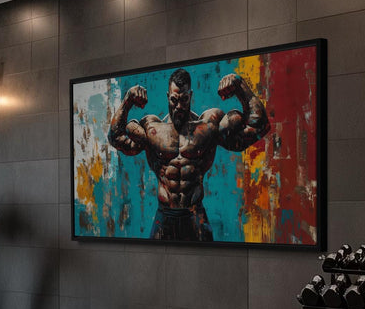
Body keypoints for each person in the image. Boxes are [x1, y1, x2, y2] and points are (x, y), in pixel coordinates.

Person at [107, 68, 269, 241]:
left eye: (184, 99)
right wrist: (128, 101)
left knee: (205, 266)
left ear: (190, 95)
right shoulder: (152, 129)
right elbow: (116, 138)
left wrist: (239, 86)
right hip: (164, 217)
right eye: (174, 100)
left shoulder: (207, 126)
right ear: (167, 96)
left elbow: (259, 126)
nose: (179, 106)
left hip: (195, 216)